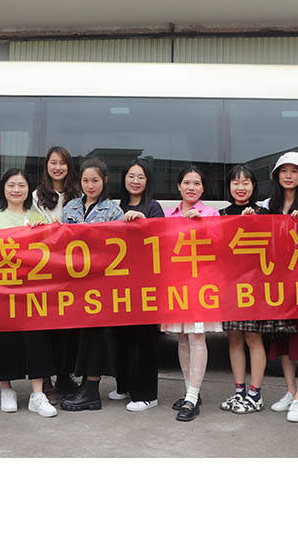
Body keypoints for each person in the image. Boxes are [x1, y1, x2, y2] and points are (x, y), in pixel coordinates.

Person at [0, 168, 57, 418]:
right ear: (4, 188)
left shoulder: (37, 216)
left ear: (28, 190)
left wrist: (43, 229)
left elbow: (50, 250)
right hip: (3, 289)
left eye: (22, 185)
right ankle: (6, 388)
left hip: (34, 290)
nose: (16, 190)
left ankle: (38, 393)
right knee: (4, 339)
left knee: (38, 338)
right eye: (11, 185)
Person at [258, 151, 298, 423]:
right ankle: (289, 390)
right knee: (282, 340)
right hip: (277, 285)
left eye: (293, 171)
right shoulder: (266, 205)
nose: (288, 176)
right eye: (283, 171)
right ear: (275, 175)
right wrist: (250, 217)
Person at [218, 164, 290, 416]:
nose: (240, 187)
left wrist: (253, 223)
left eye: (246, 182)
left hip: (254, 287)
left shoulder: (264, 213)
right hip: (229, 286)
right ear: (229, 186)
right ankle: (239, 391)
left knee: (253, 338)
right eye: (236, 182)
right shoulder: (221, 214)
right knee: (234, 338)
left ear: (253, 186)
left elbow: (275, 249)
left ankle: (255, 394)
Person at [59, 157, 124, 411]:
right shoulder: (71, 207)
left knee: (95, 336)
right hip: (74, 284)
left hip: (100, 285)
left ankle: (91, 390)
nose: (90, 185)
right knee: (79, 336)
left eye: (95, 180)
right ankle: (79, 385)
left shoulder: (114, 211)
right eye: (85, 180)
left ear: (105, 181)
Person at [162, 164, 221, 422]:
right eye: (187, 183)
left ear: (203, 188)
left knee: (198, 337)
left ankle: (193, 396)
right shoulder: (169, 214)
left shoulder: (212, 213)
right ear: (178, 186)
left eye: (196, 183)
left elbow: (221, 245)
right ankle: (190, 392)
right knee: (183, 339)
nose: (191, 187)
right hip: (177, 283)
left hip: (202, 284)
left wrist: (203, 225)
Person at [109, 158, 165, 412]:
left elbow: (162, 239)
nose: (135, 181)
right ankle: (125, 386)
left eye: (140, 177)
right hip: (119, 284)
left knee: (144, 339)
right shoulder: (114, 207)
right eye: (131, 176)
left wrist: (144, 220)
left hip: (145, 285)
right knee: (121, 337)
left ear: (148, 181)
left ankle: (146, 394)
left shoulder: (153, 207)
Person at [31, 146, 82, 402]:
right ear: (47, 166)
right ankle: (48, 379)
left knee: (69, 328)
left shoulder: (79, 193)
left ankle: (65, 375)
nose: (58, 167)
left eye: (63, 163)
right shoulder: (37, 195)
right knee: (47, 326)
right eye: (53, 162)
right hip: (47, 269)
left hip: (74, 270)